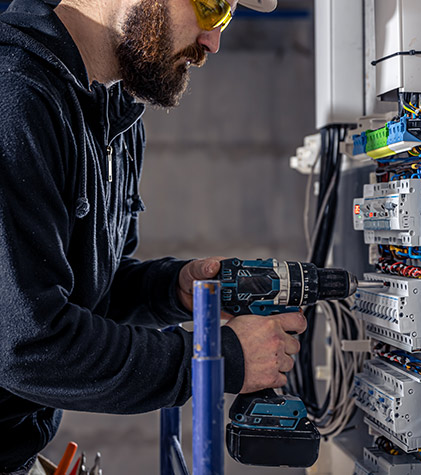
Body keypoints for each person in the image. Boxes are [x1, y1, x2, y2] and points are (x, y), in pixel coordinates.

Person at [0, 0, 307, 472]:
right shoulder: (14, 95)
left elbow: (81, 294)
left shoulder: (115, 114)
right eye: (213, 8)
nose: (212, 42)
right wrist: (218, 357)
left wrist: (173, 290)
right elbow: (26, 345)